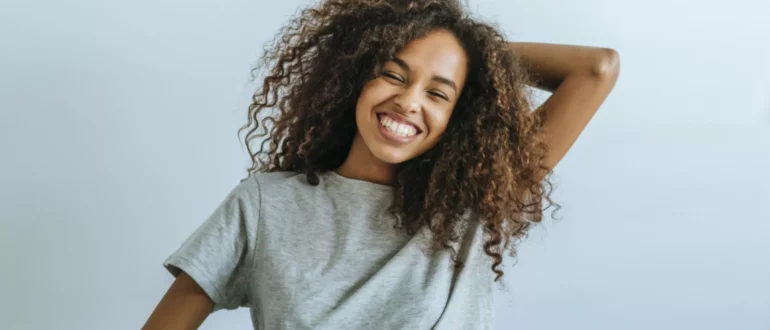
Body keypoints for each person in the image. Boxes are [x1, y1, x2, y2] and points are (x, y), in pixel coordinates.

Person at [142, 0, 620, 329]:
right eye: (392, 73)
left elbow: (596, 69)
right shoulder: (266, 204)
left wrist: (471, 55)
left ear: (459, 115)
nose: (409, 102)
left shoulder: (468, 207)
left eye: (438, 92)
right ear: (355, 76)